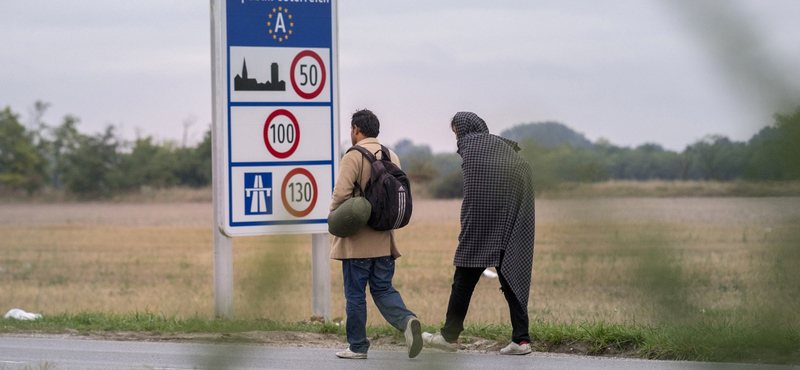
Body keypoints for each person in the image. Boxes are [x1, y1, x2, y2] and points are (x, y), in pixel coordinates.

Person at [422, 111, 535, 355]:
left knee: (462, 281)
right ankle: (522, 340)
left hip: (482, 225)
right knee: (510, 279)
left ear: (463, 129)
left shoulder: (471, 147)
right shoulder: (500, 145)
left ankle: (449, 337)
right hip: (510, 222)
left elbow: (474, 195)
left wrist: (468, 229)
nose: (456, 139)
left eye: (455, 132)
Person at [329, 109, 422, 359]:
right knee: (383, 289)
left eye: (351, 129)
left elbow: (340, 195)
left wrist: (334, 219)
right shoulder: (392, 155)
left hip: (357, 242)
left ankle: (357, 346)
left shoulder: (353, 156)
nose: (351, 134)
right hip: (384, 240)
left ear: (357, 129)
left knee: (355, 294)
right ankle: (408, 321)